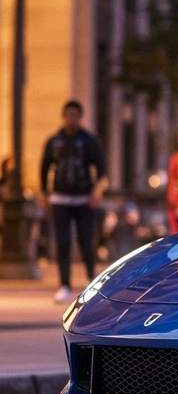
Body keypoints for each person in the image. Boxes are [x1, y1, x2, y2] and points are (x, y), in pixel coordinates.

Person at [40, 100, 108, 303]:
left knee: (86, 241)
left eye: (76, 115)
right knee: (63, 242)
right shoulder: (54, 141)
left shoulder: (89, 141)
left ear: (80, 117)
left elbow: (102, 169)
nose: (72, 119)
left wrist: (97, 191)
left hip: (84, 199)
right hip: (60, 198)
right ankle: (64, 285)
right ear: (63, 116)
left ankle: (90, 280)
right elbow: (44, 168)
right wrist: (44, 193)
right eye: (68, 115)